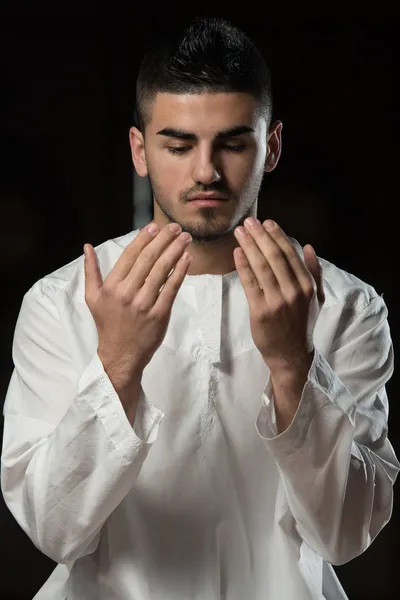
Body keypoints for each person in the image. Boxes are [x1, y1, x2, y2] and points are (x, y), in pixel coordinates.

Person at [1, 16, 398, 600]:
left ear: (273, 147)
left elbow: (345, 537)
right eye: (178, 144)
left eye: (234, 143)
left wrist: (294, 366)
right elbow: (53, 531)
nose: (206, 171)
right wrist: (116, 365)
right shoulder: (61, 302)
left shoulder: (346, 307)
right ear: (140, 150)